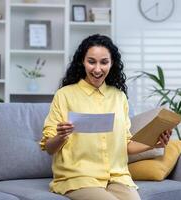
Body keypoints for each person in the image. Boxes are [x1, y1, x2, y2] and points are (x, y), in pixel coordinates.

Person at [39, 34, 172, 200]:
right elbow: (50, 148)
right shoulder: (64, 95)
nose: (97, 69)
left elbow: (125, 145)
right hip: (79, 177)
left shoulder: (119, 97)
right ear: (82, 61)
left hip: (117, 177)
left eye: (104, 62)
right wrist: (61, 136)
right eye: (91, 61)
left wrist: (154, 144)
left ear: (112, 64)